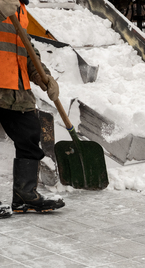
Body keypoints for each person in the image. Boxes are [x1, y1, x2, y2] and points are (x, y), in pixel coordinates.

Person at [0, 0, 65, 218]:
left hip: (15, 89)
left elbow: (25, 48)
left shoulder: (20, 8)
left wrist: (43, 76)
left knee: (29, 135)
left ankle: (24, 195)